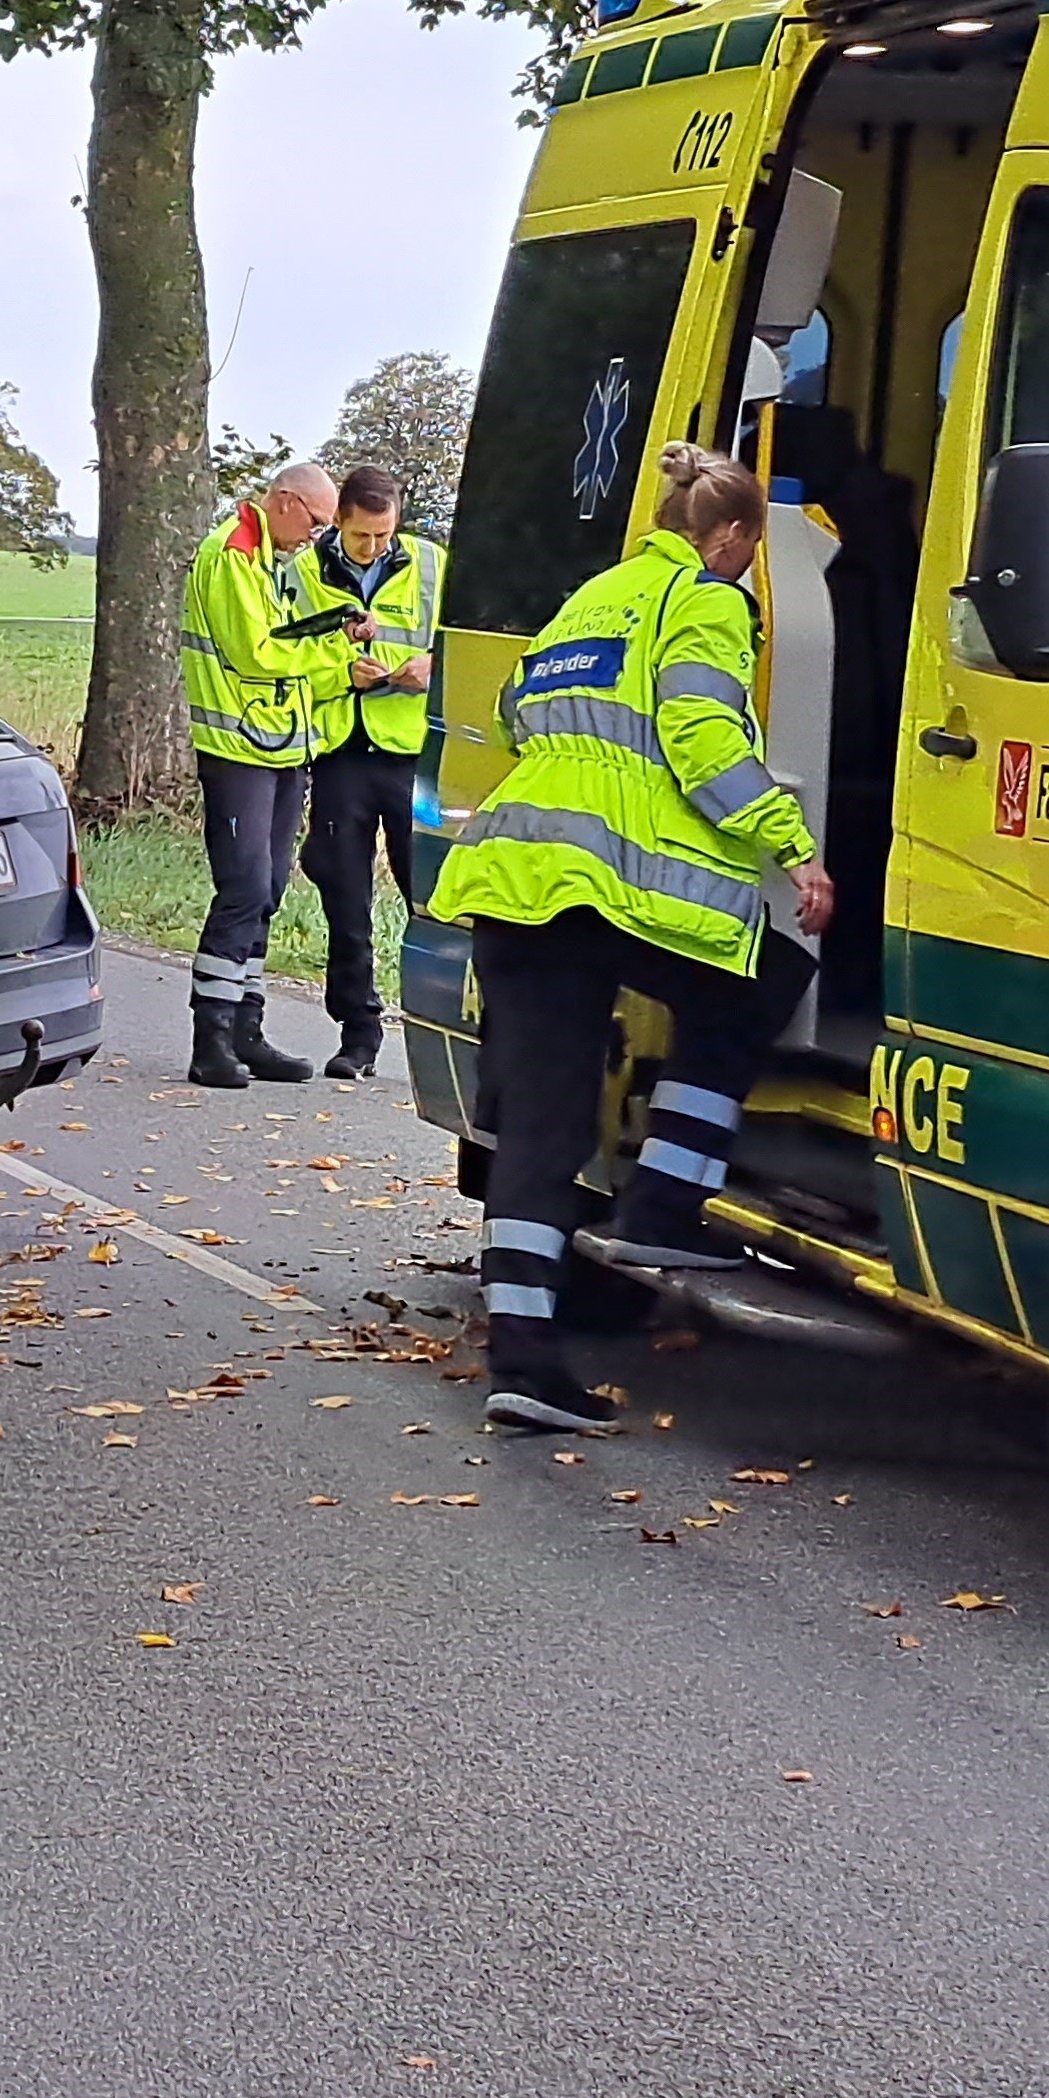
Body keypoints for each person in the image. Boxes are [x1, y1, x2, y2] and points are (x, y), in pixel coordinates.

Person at [428, 441, 830, 1436]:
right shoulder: (705, 598)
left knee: (541, 1130)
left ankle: (523, 1361)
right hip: (601, 886)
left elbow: (515, 711)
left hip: (512, 875)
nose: (745, 570)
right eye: (745, 553)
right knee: (756, 982)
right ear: (730, 535)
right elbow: (701, 736)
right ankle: (662, 1206)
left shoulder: (594, 596)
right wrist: (793, 849)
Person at [175, 457, 353, 1088]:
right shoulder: (232, 554)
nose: (317, 536)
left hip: (282, 749)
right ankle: (211, 1038)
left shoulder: (282, 557)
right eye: (316, 522)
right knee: (245, 886)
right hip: (237, 750)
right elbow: (256, 653)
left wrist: (346, 627)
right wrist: (336, 670)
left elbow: (306, 624)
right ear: (284, 501)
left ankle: (248, 1030)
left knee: (271, 888)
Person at [296, 463, 439, 1080]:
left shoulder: (433, 565)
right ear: (340, 523)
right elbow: (282, 654)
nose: (376, 547)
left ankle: (438, 1032)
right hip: (341, 754)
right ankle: (358, 1034)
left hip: (412, 757)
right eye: (362, 537)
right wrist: (338, 674)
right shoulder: (303, 572)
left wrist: (432, 665)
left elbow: (462, 637)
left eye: (385, 535)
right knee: (346, 899)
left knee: (429, 896)